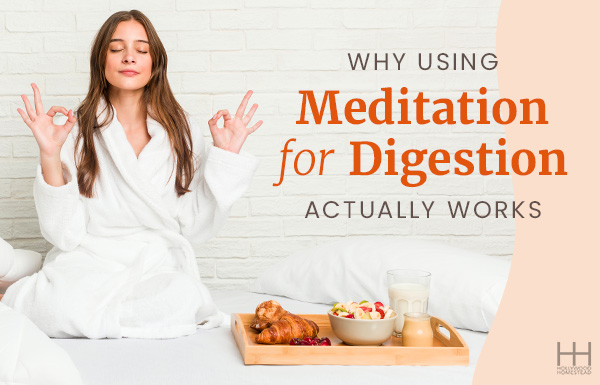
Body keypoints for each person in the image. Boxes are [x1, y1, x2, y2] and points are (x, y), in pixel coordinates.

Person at [0, 10, 262, 339]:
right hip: (90, 259)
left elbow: (194, 227)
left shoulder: (183, 130)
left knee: (185, 296)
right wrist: (50, 154)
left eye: (141, 49)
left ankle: (61, 300)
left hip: (156, 262)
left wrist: (227, 157)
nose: (129, 57)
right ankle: (55, 297)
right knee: (61, 300)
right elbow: (64, 234)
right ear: (101, 60)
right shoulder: (75, 129)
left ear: (155, 63)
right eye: (116, 48)